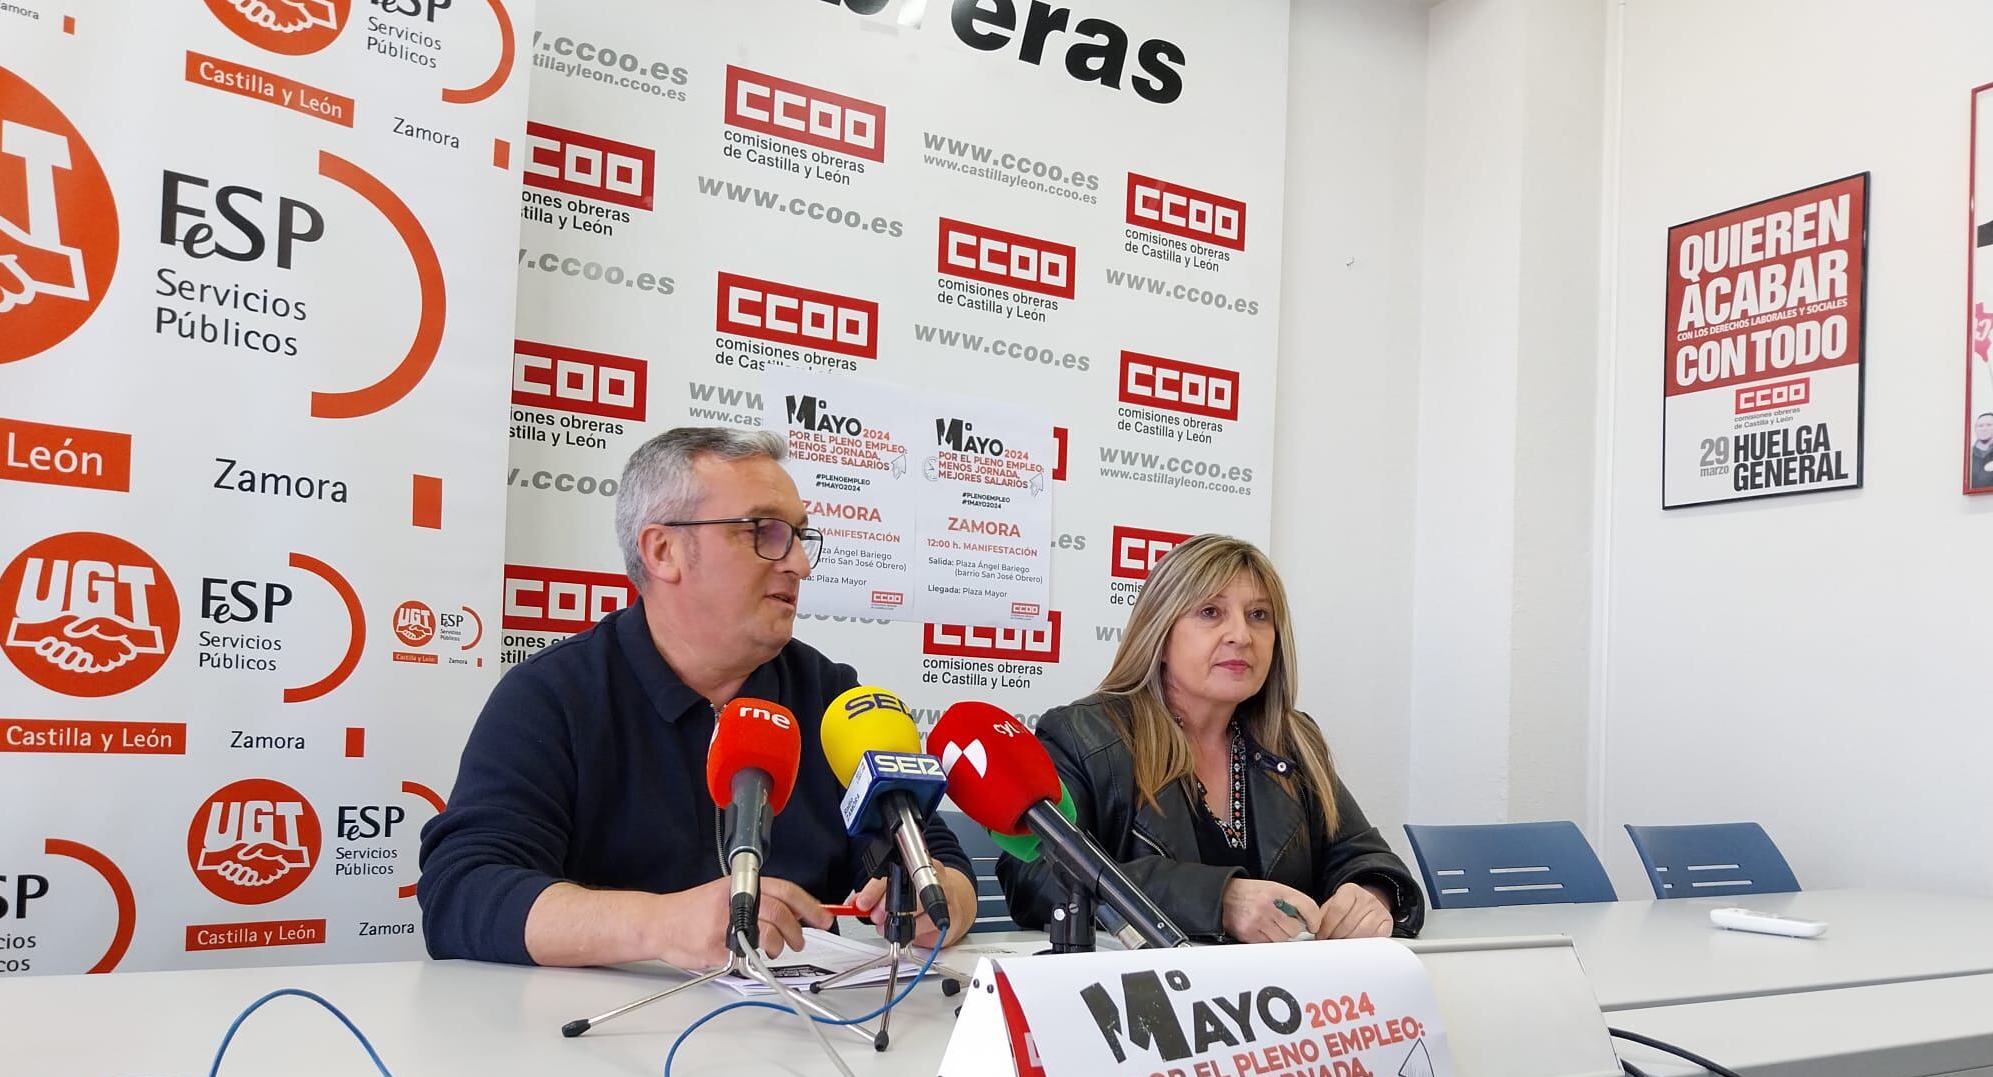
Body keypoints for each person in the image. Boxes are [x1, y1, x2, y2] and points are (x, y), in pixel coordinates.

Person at [419, 426, 977, 969]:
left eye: (800, 536)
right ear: (664, 551)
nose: (799, 564)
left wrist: (945, 900)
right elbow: (462, 890)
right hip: (602, 1040)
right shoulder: (554, 696)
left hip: (804, 1031)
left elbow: (939, 863)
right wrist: (660, 925)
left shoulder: (832, 699)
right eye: (764, 531)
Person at [997, 535, 1422, 942]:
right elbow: (1036, 877)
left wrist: (1370, 894)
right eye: (1210, 612)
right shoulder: (1083, 735)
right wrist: (1218, 901)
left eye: (1259, 615)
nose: (1241, 635)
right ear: (1159, 635)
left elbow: (1361, 854)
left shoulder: (1293, 740)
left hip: (1284, 998)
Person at [1972, 412, 1993, 490]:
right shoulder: (1968, 455)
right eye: (1980, 426)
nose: (1984, 429)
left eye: (1989, 425)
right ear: (1975, 429)